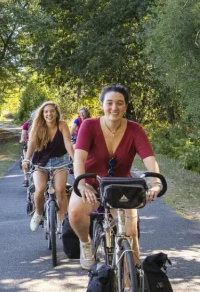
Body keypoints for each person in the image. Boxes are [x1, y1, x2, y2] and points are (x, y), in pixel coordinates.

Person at [68, 85, 163, 269]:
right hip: (91, 184)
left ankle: (131, 286)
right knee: (75, 213)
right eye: (109, 103)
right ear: (102, 104)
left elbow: (150, 160)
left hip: (121, 186)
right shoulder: (89, 125)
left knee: (131, 234)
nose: (114, 107)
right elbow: (79, 158)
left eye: (120, 103)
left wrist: (155, 182)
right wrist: (81, 185)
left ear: (125, 106)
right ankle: (86, 243)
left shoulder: (135, 130)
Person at [23, 101, 75, 232]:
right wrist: (26, 159)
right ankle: (38, 213)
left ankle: (64, 224)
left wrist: (75, 159)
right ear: (42, 113)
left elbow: (68, 143)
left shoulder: (62, 125)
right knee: (40, 189)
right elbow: (32, 144)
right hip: (41, 162)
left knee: (60, 191)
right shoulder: (38, 127)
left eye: (52, 111)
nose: (49, 114)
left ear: (56, 113)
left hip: (60, 162)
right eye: (46, 111)